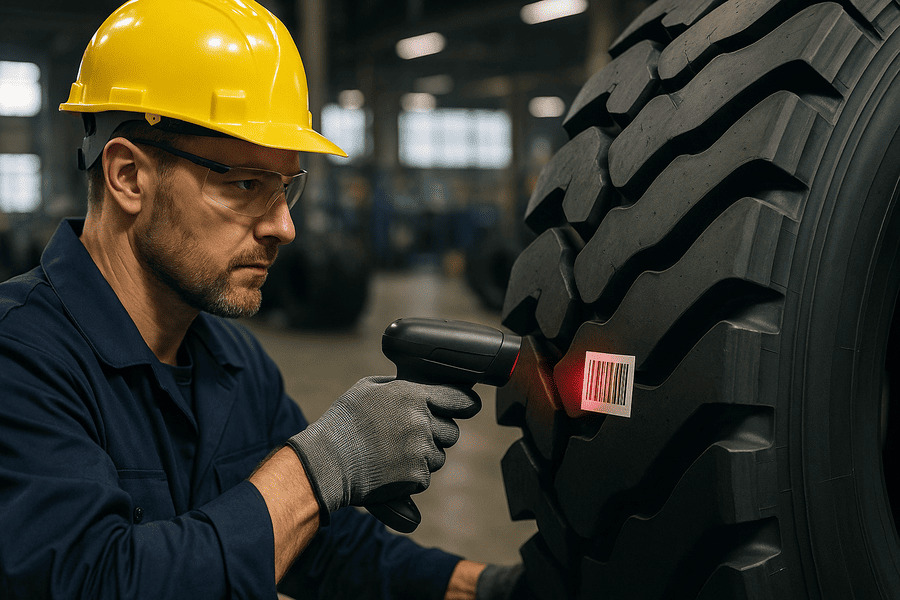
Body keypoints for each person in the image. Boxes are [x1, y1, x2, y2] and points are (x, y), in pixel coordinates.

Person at [0, 0, 527, 598]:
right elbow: (101, 581)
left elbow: (322, 546)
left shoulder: (233, 362)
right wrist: (320, 465)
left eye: (285, 188)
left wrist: (484, 588)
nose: (283, 227)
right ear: (129, 177)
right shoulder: (20, 362)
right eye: (246, 184)